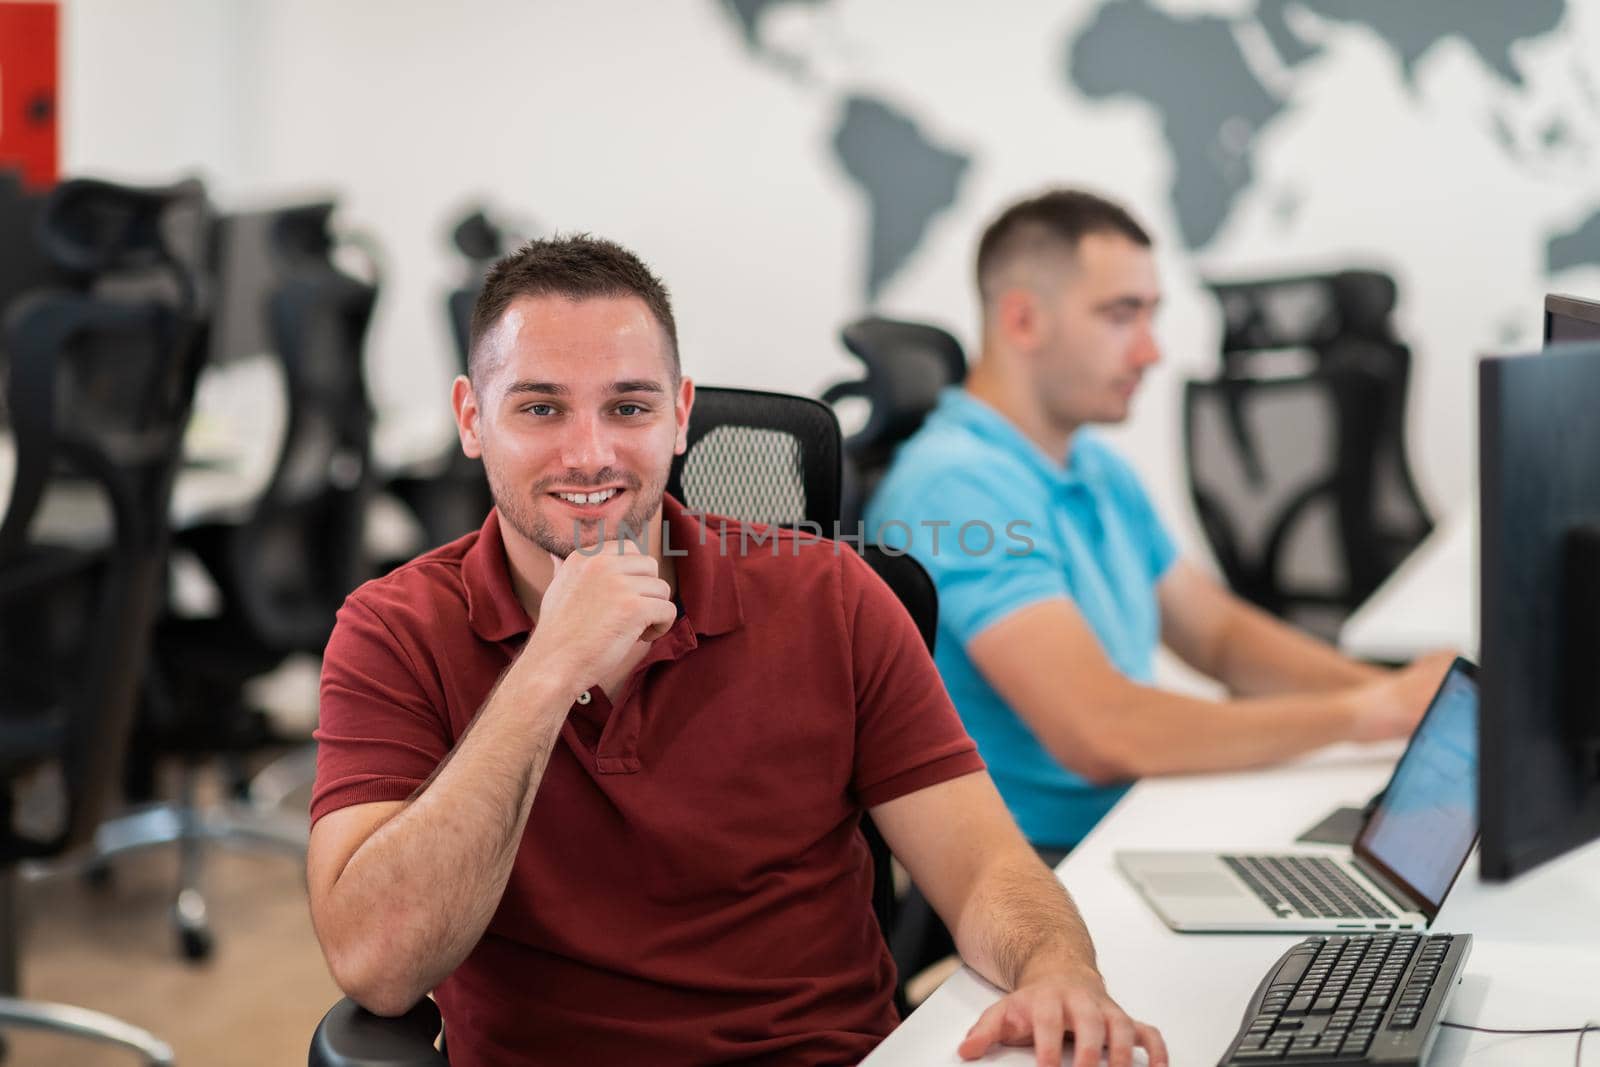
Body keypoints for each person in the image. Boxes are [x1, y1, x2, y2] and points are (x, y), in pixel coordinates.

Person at [306, 234, 1167, 1067]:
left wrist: (1059, 971)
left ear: (680, 417)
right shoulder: (392, 631)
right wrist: (548, 666)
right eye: (540, 407)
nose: (591, 451)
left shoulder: (829, 595)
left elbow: (986, 870)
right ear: (471, 418)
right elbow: (379, 964)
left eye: (629, 406)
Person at [866, 189, 1453, 856]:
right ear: (1023, 321)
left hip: (1137, 821)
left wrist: (1401, 696)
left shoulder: (1091, 464)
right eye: (1122, 316)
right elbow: (1102, 730)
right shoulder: (955, 488)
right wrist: (1363, 714)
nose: (1150, 351)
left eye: (1151, 315)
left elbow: (1219, 635)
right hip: (1054, 868)